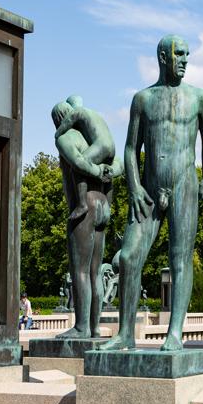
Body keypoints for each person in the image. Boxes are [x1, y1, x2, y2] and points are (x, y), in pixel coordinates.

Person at [101, 35, 203, 352]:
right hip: (149, 189)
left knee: (179, 259)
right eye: (179, 54)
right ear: (163, 57)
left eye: (188, 55)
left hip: (184, 185)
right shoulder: (143, 99)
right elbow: (129, 149)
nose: (185, 60)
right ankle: (125, 333)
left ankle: (174, 333)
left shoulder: (199, 98)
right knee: (128, 257)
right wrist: (134, 187)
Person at [53, 97, 123, 338]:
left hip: (85, 208)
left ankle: (81, 327)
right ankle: (93, 328)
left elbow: (77, 163)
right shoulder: (90, 138)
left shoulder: (66, 138)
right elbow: (119, 165)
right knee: (95, 272)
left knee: (80, 271)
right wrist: (106, 171)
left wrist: (95, 171)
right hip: (103, 204)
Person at [53, 95, 118, 221]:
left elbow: (66, 122)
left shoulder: (78, 112)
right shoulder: (94, 113)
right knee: (108, 172)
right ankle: (108, 207)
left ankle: (82, 205)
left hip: (101, 146)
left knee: (78, 168)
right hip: (111, 147)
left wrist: (57, 134)